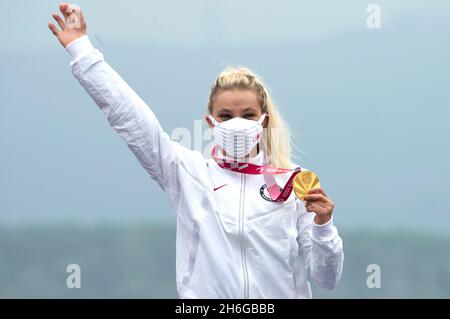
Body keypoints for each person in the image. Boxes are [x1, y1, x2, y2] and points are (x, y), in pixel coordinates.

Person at [48, 3, 343, 299]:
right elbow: (131, 119)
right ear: (211, 123)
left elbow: (327, 278)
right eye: (226, 116)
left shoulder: (295, 183)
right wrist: (83, 51)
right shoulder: (186, 172)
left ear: (263, 121)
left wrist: (323, 226)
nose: (237, 123)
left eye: (248, 115)